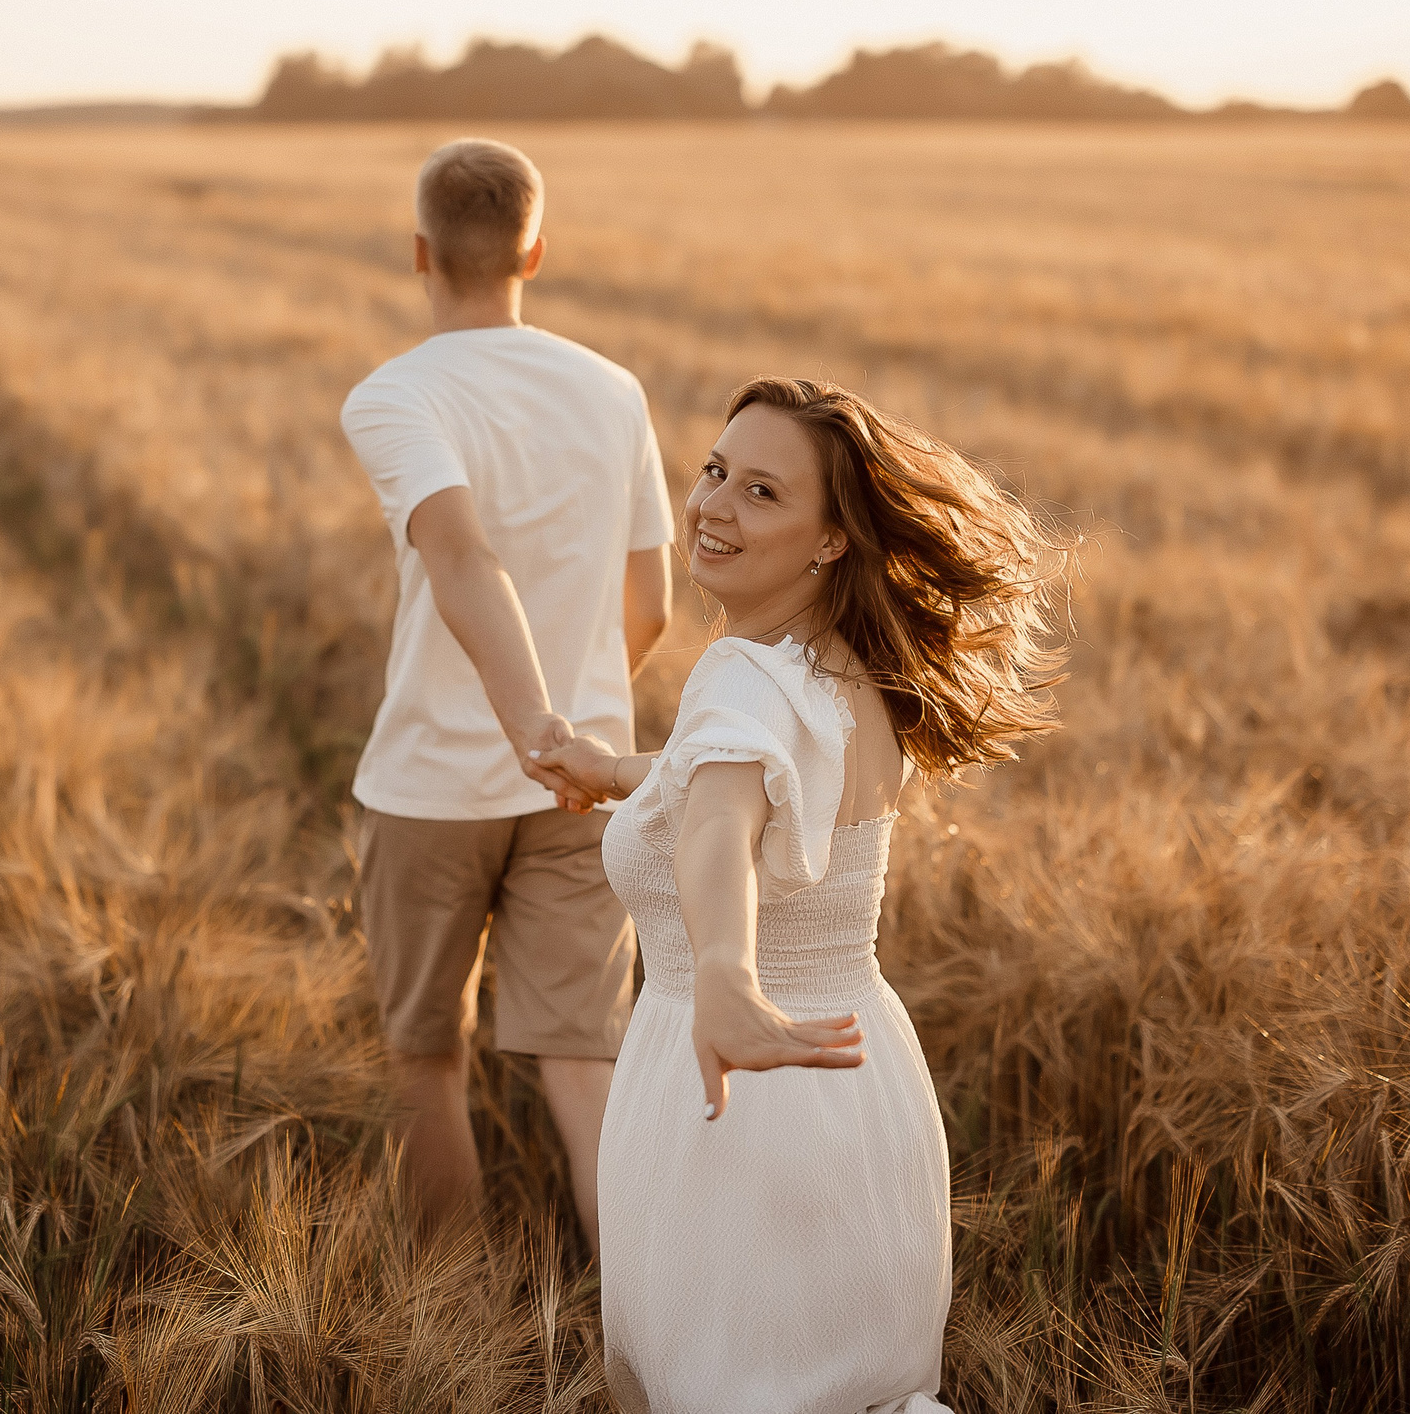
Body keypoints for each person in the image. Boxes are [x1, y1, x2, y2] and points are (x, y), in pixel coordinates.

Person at [535, 377, 1065, 1414]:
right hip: (856, 1089)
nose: (712, 505)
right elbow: (738, 779)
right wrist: (615, 773)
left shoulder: (738, 676)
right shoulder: (854, 672)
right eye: (715, 471)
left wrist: (726, 977)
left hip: (730, 1095)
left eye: (762, 492)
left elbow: (723, 830)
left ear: (829, 542)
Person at [339, 137, 674, 1251]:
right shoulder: (613, 390)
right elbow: (655, 605)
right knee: (587, 1068)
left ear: (419, 252)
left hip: (432, 784)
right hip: (584, 785)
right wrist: (569, 729)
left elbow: (461, 559)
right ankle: (649, 1335)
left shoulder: (396, 396)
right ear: (536, 247)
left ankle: (459, 1337)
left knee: (424, 1058)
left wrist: (525, 724)